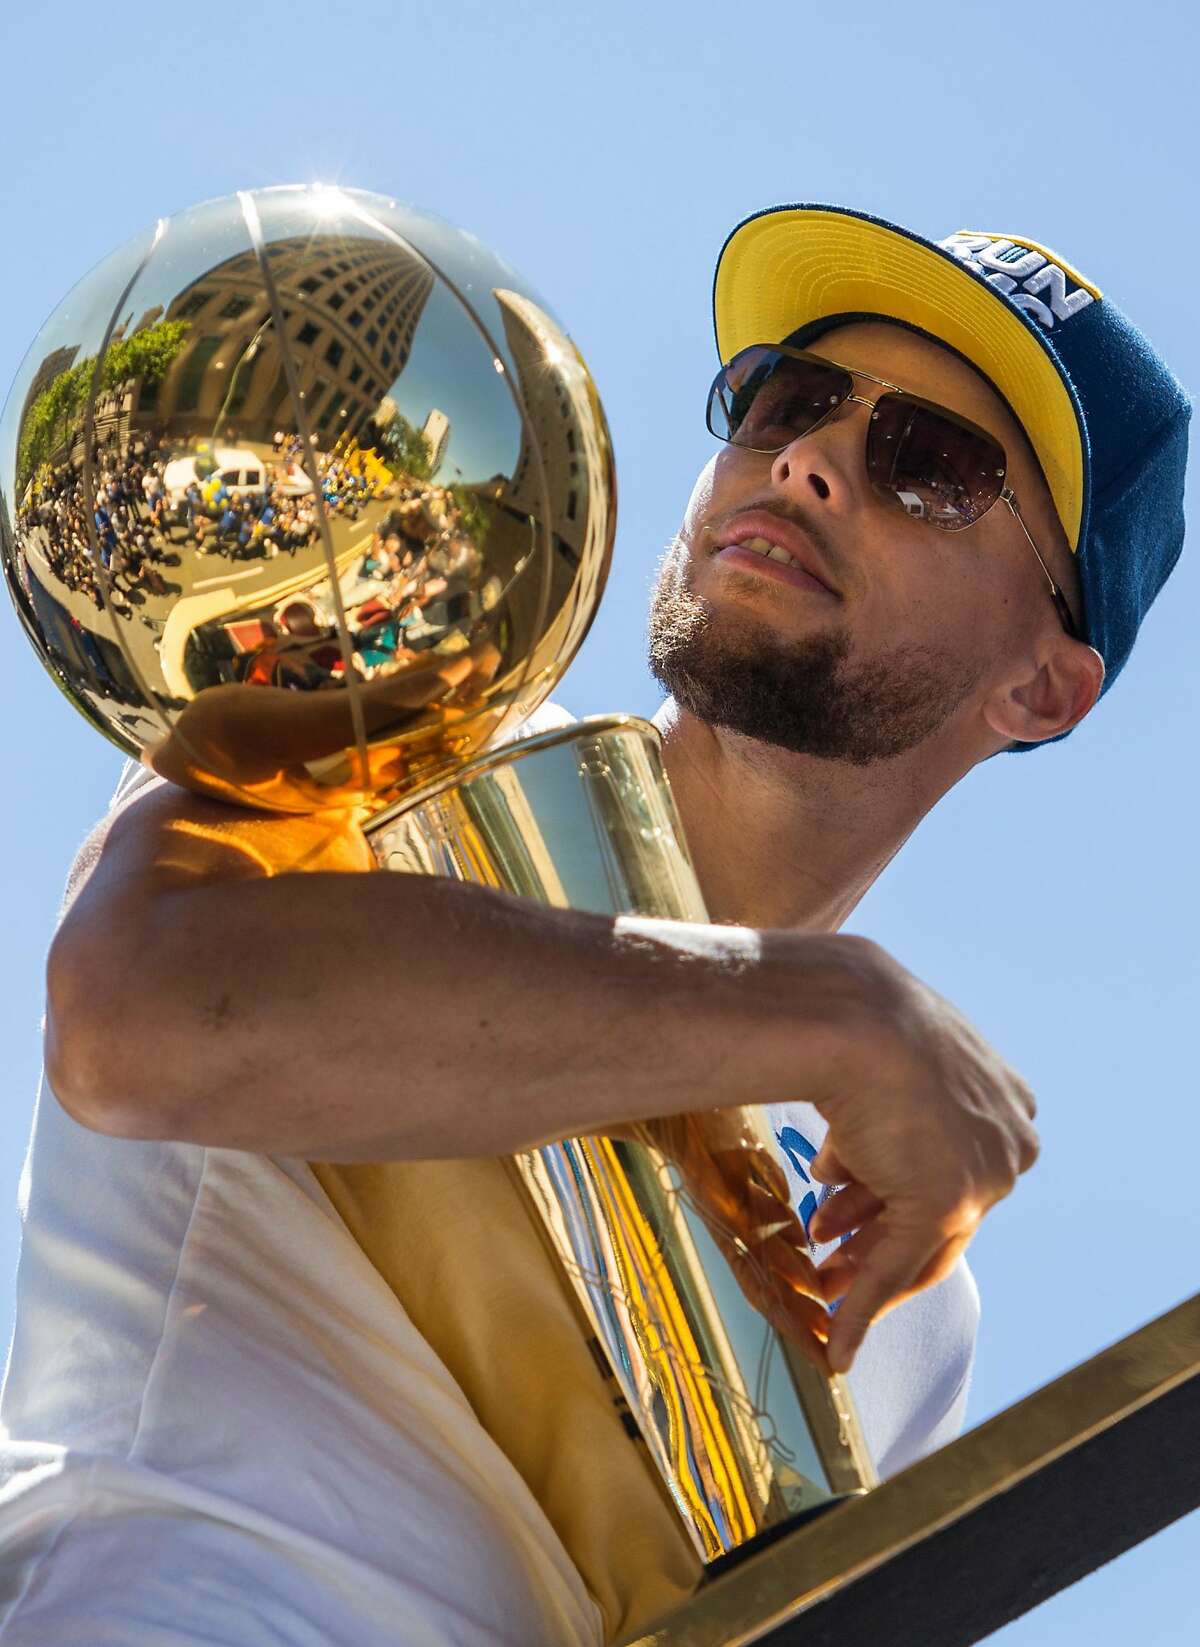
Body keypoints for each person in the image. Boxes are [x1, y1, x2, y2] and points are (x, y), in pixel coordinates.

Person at [0, 205, 1188, 1647]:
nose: (811, 460)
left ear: (1045, 690)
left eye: (932, 467)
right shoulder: (364, 740)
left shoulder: (910, 1296)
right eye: (790, 399)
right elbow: (136, 1023)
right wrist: (840, 1011)